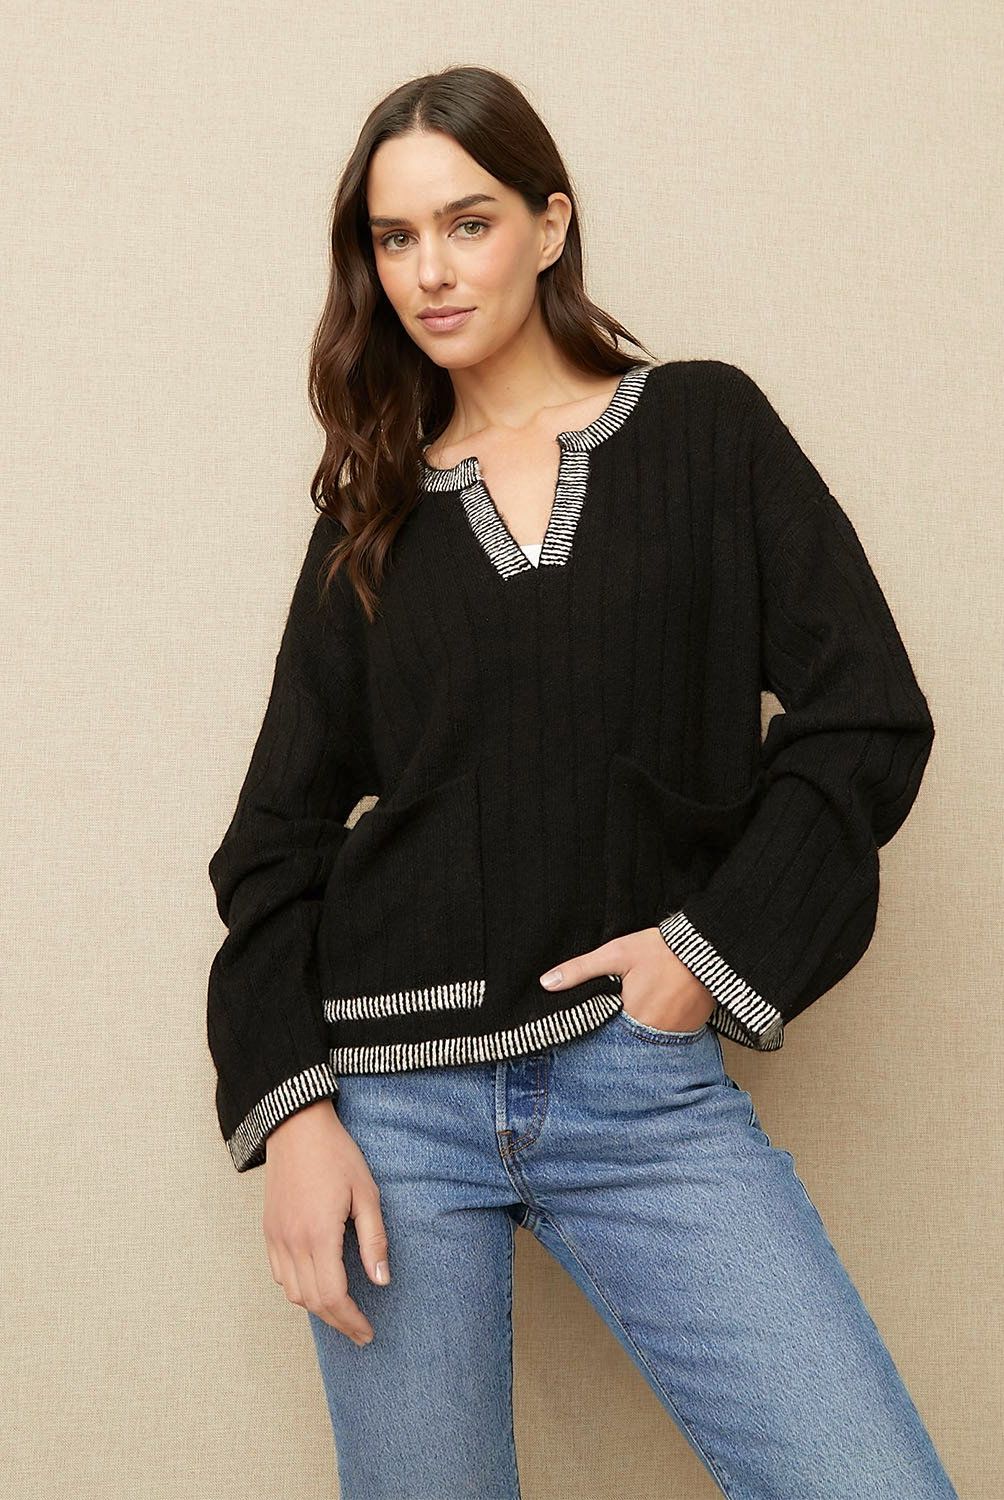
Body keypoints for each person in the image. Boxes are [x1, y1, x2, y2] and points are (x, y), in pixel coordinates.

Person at [206, 65, 960, 1500]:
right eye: (394, 238)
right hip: (395, 1116)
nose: (429, 272)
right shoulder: (372, 513)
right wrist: (294, 1115)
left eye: (468, 223)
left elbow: (866, 716)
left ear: (550, 224)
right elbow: (274, 842)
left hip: (638, 1091)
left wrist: (707, 956)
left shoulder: (707, 432)